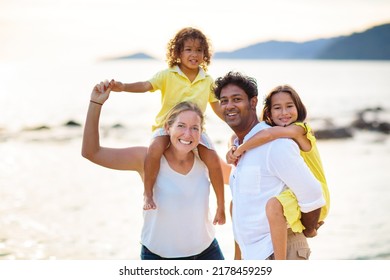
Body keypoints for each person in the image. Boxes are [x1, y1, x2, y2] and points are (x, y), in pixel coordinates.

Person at [82, 81, 228, 260]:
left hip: (207, 253)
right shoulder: (146, 158)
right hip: (158, 257)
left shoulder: (206, 159)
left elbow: (239, 175)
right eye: (181, 126)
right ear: (167, 128)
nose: (188, 134)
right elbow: (91, 152)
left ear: (201, 133)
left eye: (195, 128)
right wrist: (96, 103)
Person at [108, 27, 225, 224]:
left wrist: (242, 126)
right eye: (188, 49)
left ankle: (221, 206)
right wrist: (123, 87)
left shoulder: (207, 80)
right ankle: (147, 194)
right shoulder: (167, 75)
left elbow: (217, 108)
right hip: (166, 127)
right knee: (154, 149)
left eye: (198, 50)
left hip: (195, 130)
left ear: (205, 54)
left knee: (213, 158)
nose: (194, 54)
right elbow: (146, 86)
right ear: (178, 52)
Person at [213, 71, 326, 260]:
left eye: (236, 99)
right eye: (224, 101)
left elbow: (313, 193)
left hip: (281, 251)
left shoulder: (277, 144)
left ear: (253, 102)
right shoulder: (240, 147)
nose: (229, 105)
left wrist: (308, 229)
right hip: (255, 256)